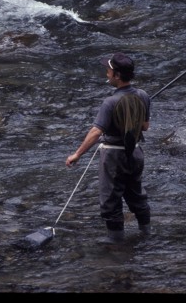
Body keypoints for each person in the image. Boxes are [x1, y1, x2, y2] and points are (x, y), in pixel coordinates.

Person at [65, 52, 151, 242]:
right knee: (136, 195)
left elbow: (96, 132)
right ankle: (147, 233)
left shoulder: (110, 102)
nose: (107, 74)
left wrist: (77, 154)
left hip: (114, 156)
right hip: (136, 153)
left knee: (111, 201)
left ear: (117, 75)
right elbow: (145, 127)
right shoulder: (143, 95)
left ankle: (115, 243)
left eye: (109, 71)